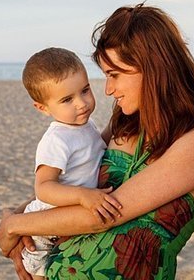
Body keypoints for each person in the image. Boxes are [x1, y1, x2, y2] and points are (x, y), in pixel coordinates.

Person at [0, 4, 194, 280]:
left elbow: (104, 214)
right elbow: (73, 180)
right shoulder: (125, 123)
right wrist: (22, 215)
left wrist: (14, 225)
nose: (107, 89)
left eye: (114, 74)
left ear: (154, 68)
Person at [18, 47, 122, 279]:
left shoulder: (86, 125)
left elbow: (96, 147)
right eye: (67, 99)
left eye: (85, 90)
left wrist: (116, 125)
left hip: (71, 220)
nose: (81, 103)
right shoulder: (57, 139)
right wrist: (83, 196)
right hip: (45, 227)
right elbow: (43, 188)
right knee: (42, 272)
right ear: (43, 108)